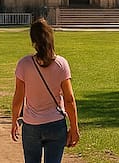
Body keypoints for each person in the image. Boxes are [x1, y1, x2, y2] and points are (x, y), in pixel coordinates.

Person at [10, 19, 80, 163]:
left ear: (33, 41)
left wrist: (14, 121)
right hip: (55, 123)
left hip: (31, 125)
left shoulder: (24, 64)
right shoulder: (61, 64)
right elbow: (69, 100)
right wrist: (74, 128)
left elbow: (18, 98)